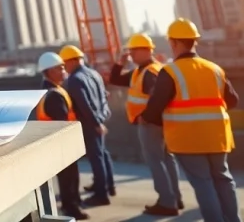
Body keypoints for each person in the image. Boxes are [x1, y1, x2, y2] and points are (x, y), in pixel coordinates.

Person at [141, 18, 241, 222]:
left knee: (203, 183)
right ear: (195, 41)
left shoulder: (170, 72)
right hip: (218, 136)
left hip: (188, 139)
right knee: (223, 179)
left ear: (173, 43)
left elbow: (153, 110)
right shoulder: (214, 69)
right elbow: (233, 100)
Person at [108, 33, 182, 216]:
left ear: (146, 50)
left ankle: (167, 202)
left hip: (152, 124)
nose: (131, 54)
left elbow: (158, 98)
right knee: (166, 160)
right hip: (158, 123)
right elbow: (115, 80)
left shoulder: (150, 72)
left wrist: (147, 117)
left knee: (156, 161)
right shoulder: (139, 71)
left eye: (134, 50)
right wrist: (120, 63)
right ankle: (174, 198)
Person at [34, 52, 88, 220]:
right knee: (68, 178)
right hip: (62, 142)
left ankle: (73, 203)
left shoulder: (53, 90)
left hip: (59, 141)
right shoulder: (53, 95)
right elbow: (62, 121)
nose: (63, 70)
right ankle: (71, 208)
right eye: (59, 68)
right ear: (49, 72)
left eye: (63, 67)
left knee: (69, 176)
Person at [60, 44, 115, 207]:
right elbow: (105, 96)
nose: (64, 68)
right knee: (102, 154)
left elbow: (84, 105)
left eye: (65, 64)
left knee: (96, 157)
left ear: (71, 61)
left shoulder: (75, 80)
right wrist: (102, 117)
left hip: (90, 123)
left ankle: (101, 194)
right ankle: (108, 185)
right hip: (99, 118)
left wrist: (95, 123)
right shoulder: (94, 73)